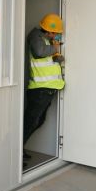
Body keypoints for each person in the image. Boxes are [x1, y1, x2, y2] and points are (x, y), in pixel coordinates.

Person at [23, 13, 65, 161]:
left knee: (38, 121)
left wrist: (57, 57)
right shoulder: (36, 37)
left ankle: (19, 150)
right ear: (49, 31)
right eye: (56, 33)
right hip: (39, 89)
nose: (57, 36)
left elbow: (45, 58)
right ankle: (16, 154)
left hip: (47, 89)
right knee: (30, 122)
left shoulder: (45, 40)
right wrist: (55, 48)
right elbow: (39, 52)